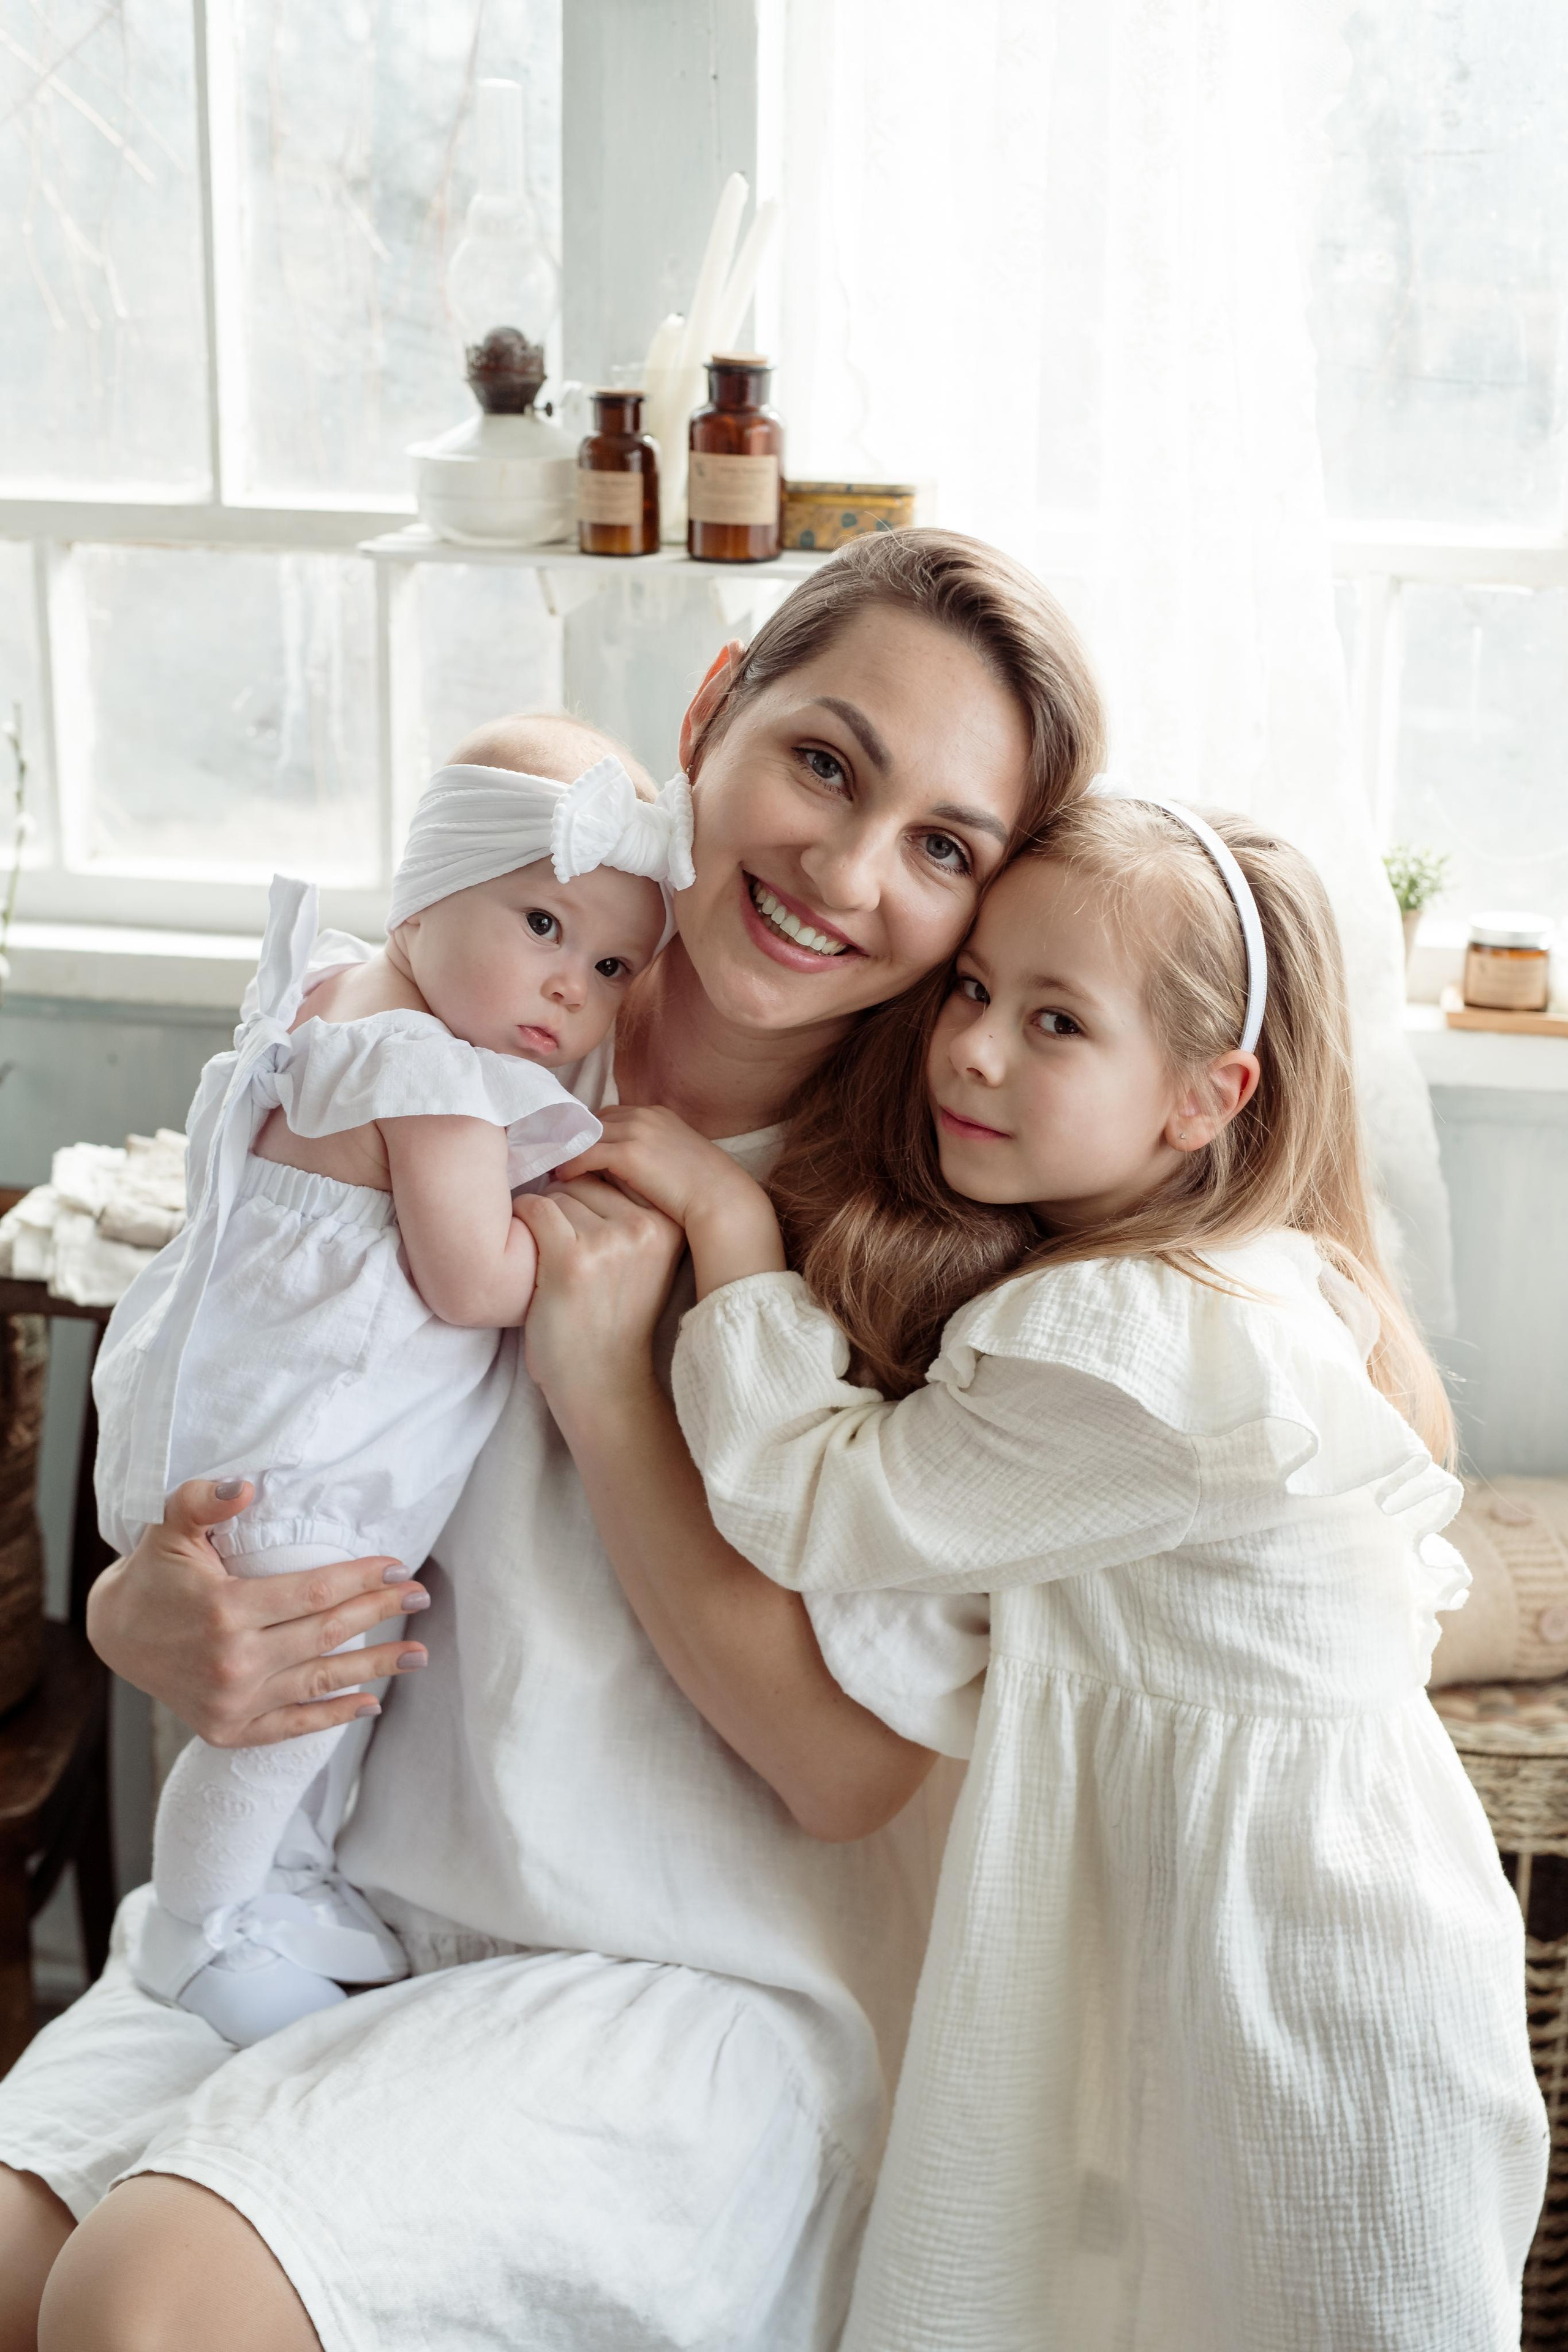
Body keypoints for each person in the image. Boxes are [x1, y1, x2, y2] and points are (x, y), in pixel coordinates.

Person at [0, 530, 1106, 2352]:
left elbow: (847, 1781)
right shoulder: (452, 1012)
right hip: (339, 1913)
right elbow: (219, 1380)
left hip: (681, 1983)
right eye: (825, 762)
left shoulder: (920, 1240)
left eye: (942, 848)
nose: (844, 870)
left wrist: (606, 1394)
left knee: (145, 2302)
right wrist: (141, 1609)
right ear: (711, 711)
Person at [539, 786, 1548, 2351]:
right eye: (971, 989)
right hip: (1250, 1921)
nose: (971, 1050)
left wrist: (733, 1230)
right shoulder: (1221, 1285)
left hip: (1297, 1970)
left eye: (1055, 1021)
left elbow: (814, 1504)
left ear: (1204, 1098)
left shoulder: (1137, 1349)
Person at [92, 721, 682, 2045]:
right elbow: (472, 1280)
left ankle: (286, 1882)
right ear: (431, 888)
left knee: (319, 1703)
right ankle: (199, 1927)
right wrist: (584, 1245)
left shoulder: (329, 998)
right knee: (298, 1709)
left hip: (219, 1418)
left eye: (609, 967)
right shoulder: (433, 1075)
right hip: (311, 1464)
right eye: (542, 923)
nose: (569, 989)